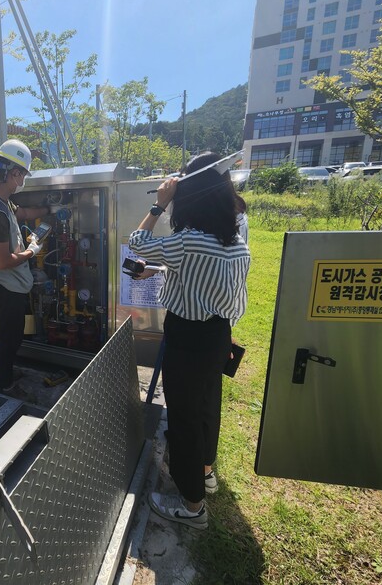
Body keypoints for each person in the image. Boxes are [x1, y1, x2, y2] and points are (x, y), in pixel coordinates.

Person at [129, 152, 251, 530]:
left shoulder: (188, 240)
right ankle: (205, 473)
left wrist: (158, 203)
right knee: (203, 408)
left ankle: (192, 506)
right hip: (217, 336)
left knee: (182, 418)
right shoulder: (233, 241)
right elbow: (201, 271)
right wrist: (160, 268)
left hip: (187, 338)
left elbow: (136, 241)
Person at [0, 139, 51, 393]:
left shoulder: (1, 201)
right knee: (10, 337)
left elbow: (20, 214)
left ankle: (3, 370)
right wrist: (32, 251)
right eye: (22, 174)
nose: (23, 180)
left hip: (9, 285)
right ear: (14, 172)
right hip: (5, 286)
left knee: (12, 335)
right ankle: (4, 383)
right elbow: (3, 261)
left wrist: (48, 209)